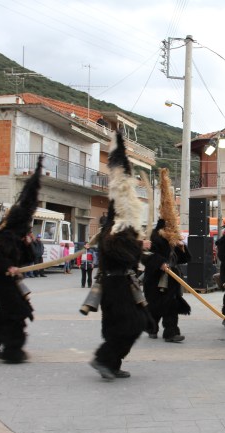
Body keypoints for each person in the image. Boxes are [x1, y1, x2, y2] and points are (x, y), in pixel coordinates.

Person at [89, 132, 152, 381]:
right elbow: (116, 251)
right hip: (115, 284)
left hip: (123, 283)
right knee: (131, 324)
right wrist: (138, 245)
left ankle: (110, 364)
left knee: (129, 325)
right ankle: (103, 360)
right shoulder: (113, 227)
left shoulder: (123, 226)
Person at [0, 157, 42, 363]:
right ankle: (12, 350)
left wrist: (28, 243)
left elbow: (30, 258)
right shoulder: (3, 236)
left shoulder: (17, 236)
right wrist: (8, 267)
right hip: (1, 281)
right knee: (16, 313)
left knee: (4, 314)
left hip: (10, 281)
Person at [143, 167, 191, 343]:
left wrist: (181, 248)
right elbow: (146, 255)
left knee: (171, 306)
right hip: (155, 278)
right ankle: (151, 327)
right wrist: (160, 262)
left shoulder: (174, 237)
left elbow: (183, 259)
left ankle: (171, 332)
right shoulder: (154, 236)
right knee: (155, 307)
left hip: (172, 278)